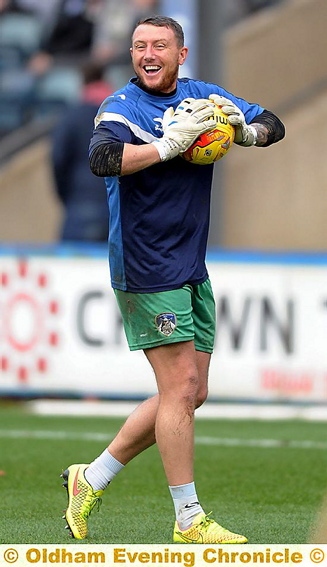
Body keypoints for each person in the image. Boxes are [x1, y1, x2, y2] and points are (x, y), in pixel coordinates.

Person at [61, 15, 285, 543]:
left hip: (190, 262)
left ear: (181, 54)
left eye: (159, 44)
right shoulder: (121, 107)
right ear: (132, 55)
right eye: (139, 45)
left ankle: (89, 479)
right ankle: (189, 519)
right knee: (180, 387)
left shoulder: (203, 97)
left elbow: (274, 121)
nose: (147, 53)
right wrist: (166, 145)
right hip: (145, 265)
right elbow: (101, 159)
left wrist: (246, 131)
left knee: (190, 391)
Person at [51, 58, 112, 242]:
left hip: (79, 203)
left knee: (72, 267)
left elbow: (58, 158)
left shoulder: (72, 116)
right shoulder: (120, 115)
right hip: (114, 207)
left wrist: (65, 194)